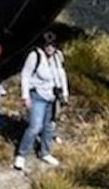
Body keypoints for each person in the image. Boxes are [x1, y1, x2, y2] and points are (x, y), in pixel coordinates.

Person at [15, 29, 69, 171]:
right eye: (47, 45)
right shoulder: (35, 56)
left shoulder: (58, 56)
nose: (50, 48)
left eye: (53, 45)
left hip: (53, 97)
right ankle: (21, 155)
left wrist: (65, 92)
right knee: (35, 127)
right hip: (38, 96)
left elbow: (62, 74)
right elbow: (25, 75)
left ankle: (46, 153)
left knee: (49, 126)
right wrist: (25, 96)